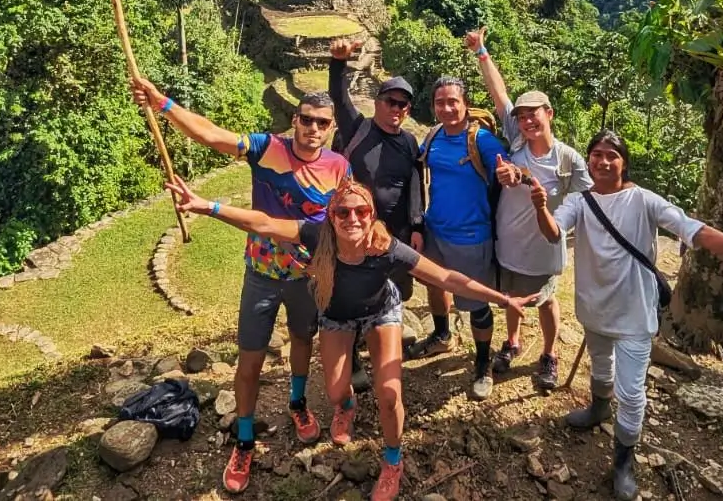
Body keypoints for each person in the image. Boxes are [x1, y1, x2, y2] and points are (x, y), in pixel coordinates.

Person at [165, 174, 534, 501]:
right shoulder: (317, 235)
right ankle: (347, 407)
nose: (352, 219)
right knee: (337, 391)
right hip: (337, 316)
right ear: (331, 216)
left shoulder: (385, 247)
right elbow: (263, 222)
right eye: (343, 212)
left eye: (361, 211)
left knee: (390, 393)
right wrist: (207, 206)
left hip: (381, 312)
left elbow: (445, 278)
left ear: (371, 215)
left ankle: (393, 460)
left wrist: (502, 298)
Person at [530, 130, 723, 501]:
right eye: (597, 155)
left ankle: (623, 460)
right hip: (593, 307)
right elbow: (554, 232)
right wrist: (541, 207)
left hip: (635, 314)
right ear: (588, 161)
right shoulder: (580, 201)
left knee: (633, 393)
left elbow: (696, 232)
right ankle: (599, 410)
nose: (603, 162)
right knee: (601, 365)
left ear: (624, 163)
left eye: (612, 156)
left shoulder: (643, 201)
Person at [130, 77, 348, 496]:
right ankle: (244, 438)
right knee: (249, 361)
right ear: (294, 120)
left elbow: (344, 219)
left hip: (307, 276)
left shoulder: (338, 167)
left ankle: (298, 403)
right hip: (262, 272)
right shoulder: (268, 148)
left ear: (331, 128)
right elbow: (212, 136)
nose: (313, 129)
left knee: (303, 341)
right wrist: (164, 104)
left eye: (322, 123)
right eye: (306, 120)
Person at [463, 27, 590, 392]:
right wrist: (482, 51)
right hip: (509, 245)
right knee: (511, 299)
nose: (527, 121)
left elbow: (588, 201)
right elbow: (498, 93)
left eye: (534, 114)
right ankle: (513, 341)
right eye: (522, 116)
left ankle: (549, 353)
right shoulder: (516, 141)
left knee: (546, 301)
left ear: (549, 113)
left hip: (545, 250)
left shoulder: (568, 159)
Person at [405, 74, 516, 401]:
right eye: (440, 102)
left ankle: (482, 362)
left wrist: (512, 174)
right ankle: (442, 335)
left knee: (476, 304)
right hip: (435, 229)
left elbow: (509, 170)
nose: (447, 107)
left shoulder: (481, 140)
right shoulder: (435, 135)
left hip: (471, 236)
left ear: (465, 104)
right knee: (434, 284)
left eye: (453, 101)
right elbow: (416, 164)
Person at [327, 38, 422, 385]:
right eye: (390, 101)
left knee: (392, 291)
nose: (396, 108)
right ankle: (352, 360)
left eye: (403, 105)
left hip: (392, 234)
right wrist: (338, 63)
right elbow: (339, 98)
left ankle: (378, 344)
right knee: (349, 292)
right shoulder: (358, 128)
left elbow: (415, 183)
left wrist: (417, 226)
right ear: (378, 102)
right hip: (353, 229)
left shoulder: (409, 142)